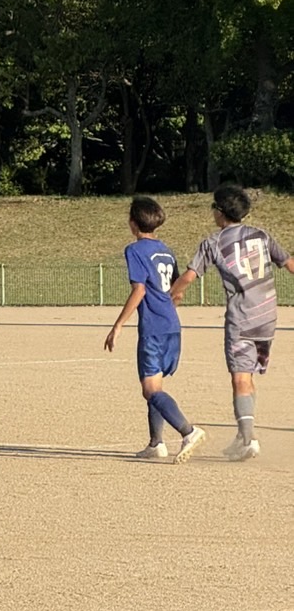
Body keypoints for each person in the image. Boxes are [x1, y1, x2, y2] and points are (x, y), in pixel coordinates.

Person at [170, 184, 294, 461]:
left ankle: (248, 440)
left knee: (239, 376)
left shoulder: (213, 242)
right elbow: (289, 263)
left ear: (219, 211)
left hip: (242, 318)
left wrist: (171, 296)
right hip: (267, 316)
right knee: (248, 375)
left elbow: (189, 276)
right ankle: (244, 434)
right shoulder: (261, 235)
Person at [104, 196, 205, 463]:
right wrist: (167, 310)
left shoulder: (134, 250)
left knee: (150, 390)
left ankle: (189, 431)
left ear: (132, 223)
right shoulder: (166, 250)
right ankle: (156, 443)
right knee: (156, 385)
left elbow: (139, 289)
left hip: (153, 329)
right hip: (172, 325)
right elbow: (177, 292)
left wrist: (118, 325)